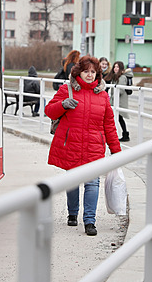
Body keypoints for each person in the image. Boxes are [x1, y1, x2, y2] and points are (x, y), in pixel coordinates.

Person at [45, 55, 121, 236]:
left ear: (98, 74)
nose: (89, 75)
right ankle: (72, 213)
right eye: (86, 71)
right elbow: (49, 111)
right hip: (71, 145)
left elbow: (109, 125)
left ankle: (89, 221)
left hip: (94, 146)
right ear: (79, 72)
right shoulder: (67, 90)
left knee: (92, 183)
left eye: (93, 72)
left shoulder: (103, 96)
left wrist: (116, 151)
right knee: (72, 182)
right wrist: (63, 105)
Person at [105, 61, 134, 142]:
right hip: (117, 100)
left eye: (117, 67)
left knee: (118, 118)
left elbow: (120, 90)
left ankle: (123, 135)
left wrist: (112, 99)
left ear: (121, 68)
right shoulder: (116, 76)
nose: (115, 68)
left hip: (120, 101)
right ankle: (125, 134)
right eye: (114, 67)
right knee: (119, 118)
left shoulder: (122, 77)